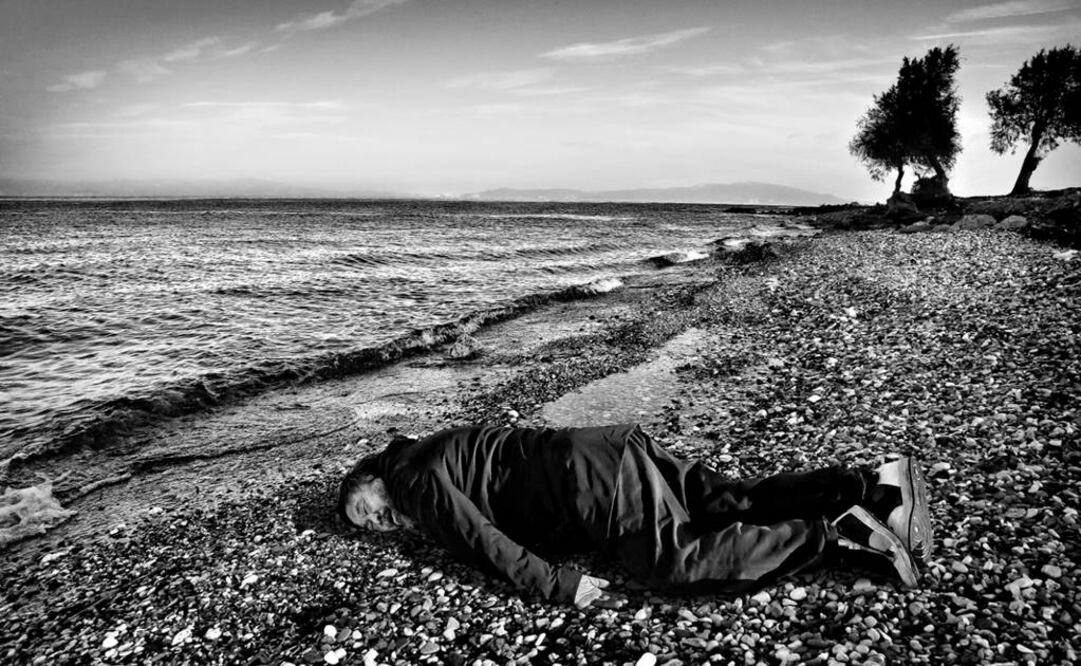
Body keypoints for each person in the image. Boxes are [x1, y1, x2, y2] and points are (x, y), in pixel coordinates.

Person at [337, 424, 931, 608]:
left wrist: (560, 585)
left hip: (588, 477)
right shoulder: (421, 453)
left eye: (367, 510)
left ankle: (844, 537)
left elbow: (481, 540)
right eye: (366, 527)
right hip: (607, 447)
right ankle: (870, 486)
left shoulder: (409, 482)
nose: (377, 523)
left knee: (677, 562)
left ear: (372, 478)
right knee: (722, 502)